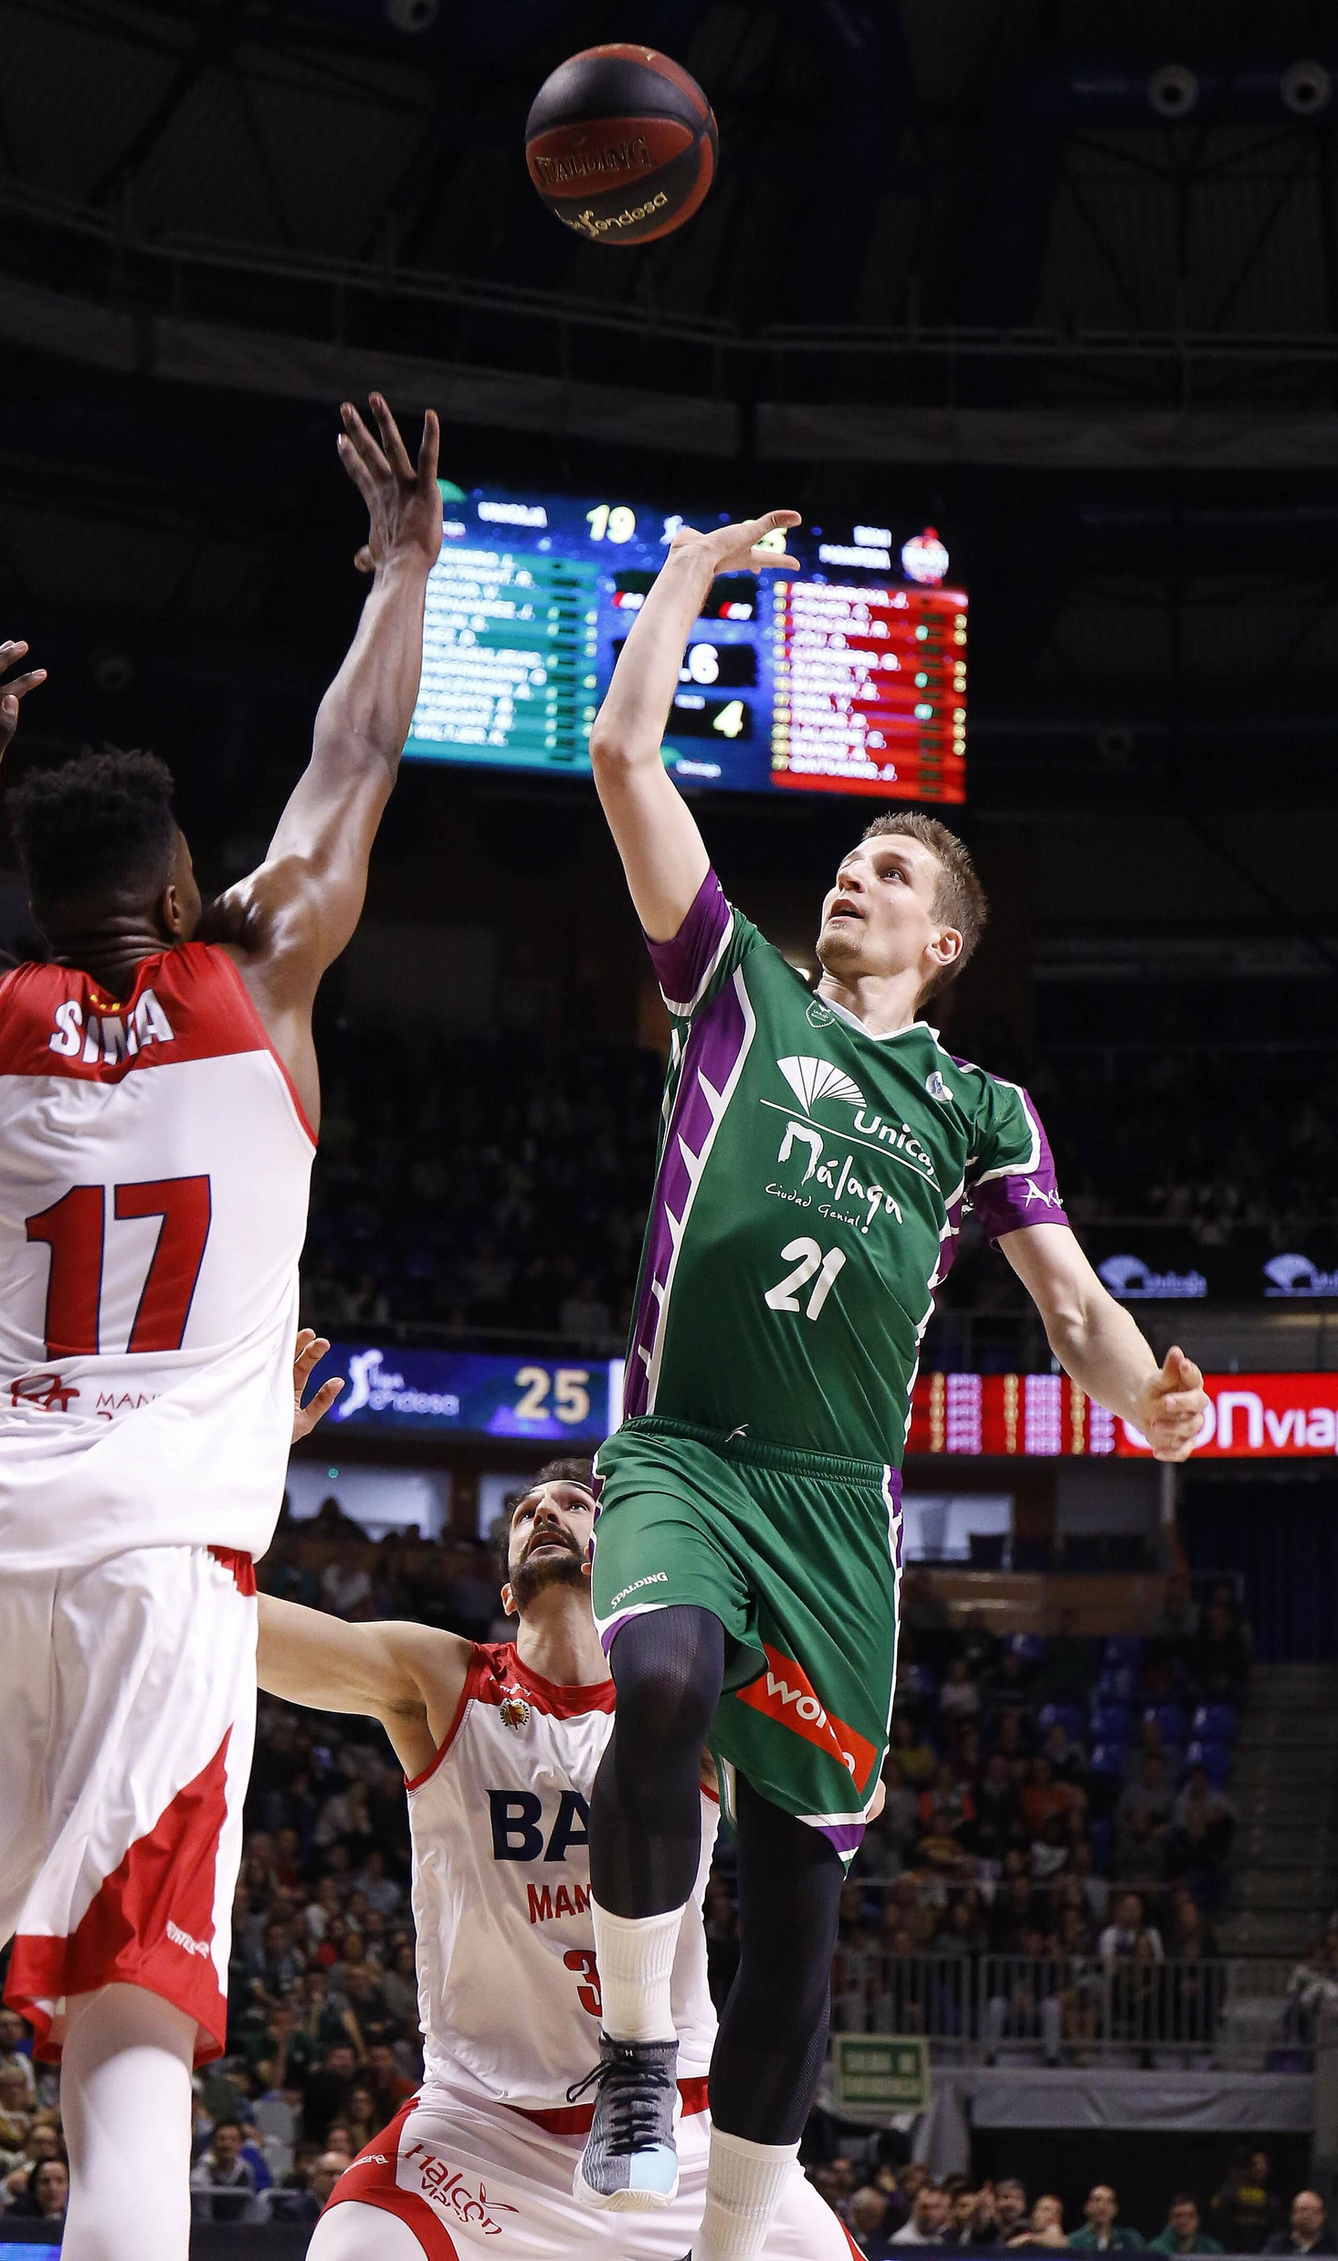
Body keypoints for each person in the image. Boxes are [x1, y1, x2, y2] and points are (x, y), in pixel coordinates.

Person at [0, 391, 443, 2261]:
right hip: (161, 1576)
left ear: (33, 901)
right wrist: (403, 569)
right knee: (128, 2041)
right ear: (186, 890)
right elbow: (357, 749)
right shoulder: (265, 963)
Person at [573, 506, 1210, 2254]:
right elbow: (625, 756)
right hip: (687, 1455)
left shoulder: (981, 1109)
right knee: (660, 1677)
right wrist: (685, 581)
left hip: (838, 1516)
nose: (854, 876)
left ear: (945, 945)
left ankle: (731, 2238)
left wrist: (1142, 1399)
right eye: (850, 859)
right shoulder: (734, 987)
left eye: (893, 872)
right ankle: (638, 2054)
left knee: (799, 1905)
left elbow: (1073, 1304)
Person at [253, 1458, 857, 2260]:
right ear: (507, 1593)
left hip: (685, 2124)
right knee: (348, 2251)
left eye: (575, 1504)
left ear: (629, 1560)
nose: (545, 1513)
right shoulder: (444, 1681)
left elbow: (843, 1797)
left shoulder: (696, 1706)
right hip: (484, 2129)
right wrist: (229, 1474)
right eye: (526, 1512)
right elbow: (243, 1631)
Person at [1067, 2186, 1143, 2251]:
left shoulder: (1130, 2239)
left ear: (1116, 2209)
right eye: (1097, 2200)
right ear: (1086, 2207)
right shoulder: (1073, 2242)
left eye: (1109, 2201)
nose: (1102, 2207)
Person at [1264, 2194, 1335, 2257]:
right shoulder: (1277, 2245)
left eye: (1314, 2211)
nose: (1308, 2215)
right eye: (1303, 2210)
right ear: (1292, 2214)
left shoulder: (1334, 2245)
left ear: (1323, 2215)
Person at [1153, 2196, 1222, 2254]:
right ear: (1170, 2220)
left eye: (1190, 2216)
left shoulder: (1211, 2249)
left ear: (1197, 2220)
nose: (1183, 2221)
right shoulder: (1156, 2249)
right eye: (1178, 2216)